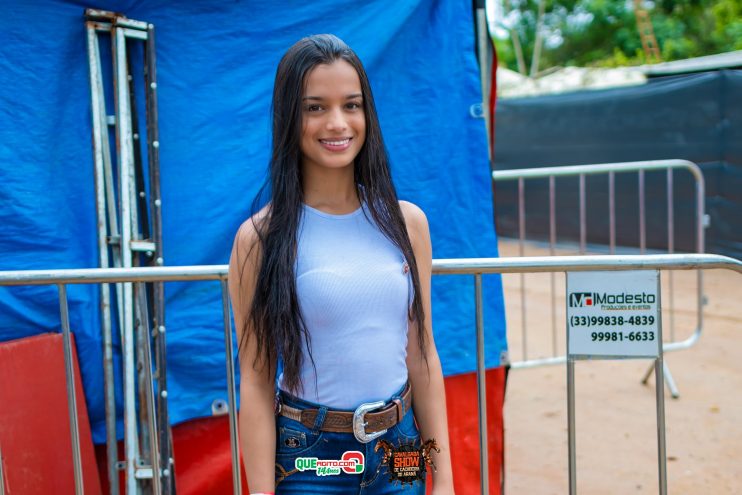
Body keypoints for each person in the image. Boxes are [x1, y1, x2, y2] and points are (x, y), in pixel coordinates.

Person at [228, 34, 455, 495]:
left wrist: (445, 479)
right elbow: (253, 382)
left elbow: (423, 356)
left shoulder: (407, 224)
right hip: (310, 460)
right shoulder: (260, 239)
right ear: (289, 116)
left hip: (401, 448)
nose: (337, 123)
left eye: (351, 105)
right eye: (315, 107)